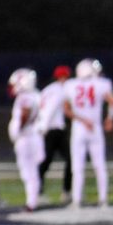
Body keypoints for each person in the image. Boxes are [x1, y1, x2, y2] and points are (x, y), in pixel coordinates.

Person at [62, 58, 113, 209]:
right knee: (99, 165)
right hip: (95, 127)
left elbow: (66, 110)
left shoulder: (70, 85)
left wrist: (82, 119)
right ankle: (103, 199)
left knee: (77, 167)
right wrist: (110, 119)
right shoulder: (102, 83)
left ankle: (77, 200)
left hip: (79, 128)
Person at [7, 68, 45, 211]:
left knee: (28, 172)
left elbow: (25, 112)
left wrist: (18, 129)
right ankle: (33, 200)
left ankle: (31, 202)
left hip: (27, 137)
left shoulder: (25, 97)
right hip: (34, 136)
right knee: (32, 172)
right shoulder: (36, 94)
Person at [37, 65, 73, 203]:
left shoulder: (48, 89)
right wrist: (43, 128)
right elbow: (49, 110)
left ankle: (65, 190)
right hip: (53, 130)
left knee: (50, 161)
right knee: (46, 161)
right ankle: (64, 191)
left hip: (52, 129)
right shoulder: (59, 90)